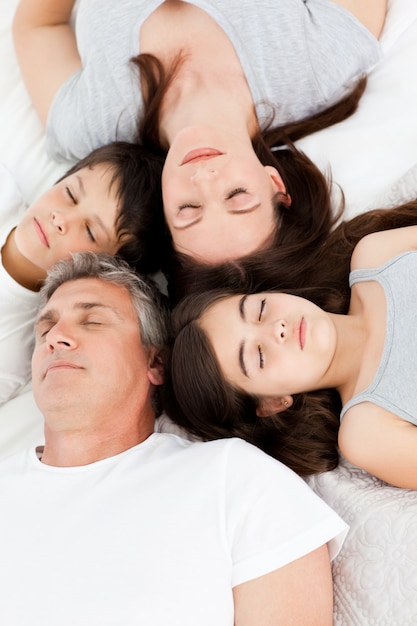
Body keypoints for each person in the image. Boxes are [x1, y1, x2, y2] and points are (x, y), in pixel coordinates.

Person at [0, 251, 348, 625]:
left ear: (155, 363)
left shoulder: (236, 481)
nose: (57, 338)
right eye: (44, 329)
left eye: (93, 321)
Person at [13, 0, 386, 266]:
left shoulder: (93, 128)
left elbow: (38, 26)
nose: (205, 178)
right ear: (274, 184)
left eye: (188, 209)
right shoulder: (321, 66)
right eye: (237, 196)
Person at [166, 202, 417, 489]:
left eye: (259, 309)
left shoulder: (378, 257)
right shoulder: (367, 433)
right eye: (258, 356)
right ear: (273, 403)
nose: (278, 329)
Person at [0, 141, 164, 405]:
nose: (61, 219)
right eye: (70, 195)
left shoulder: (12, 352)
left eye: (90, 231)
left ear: (102, 268)